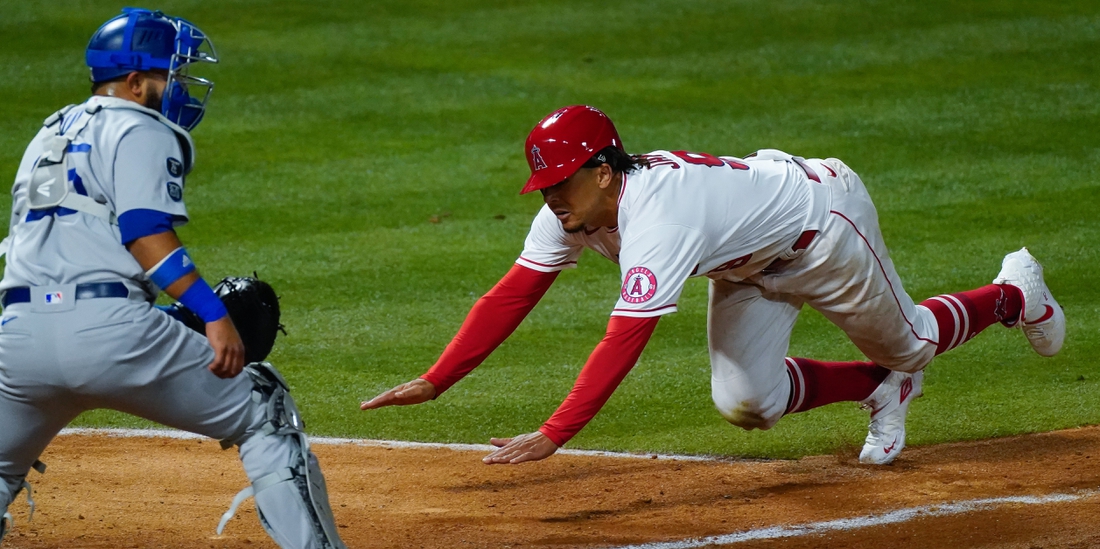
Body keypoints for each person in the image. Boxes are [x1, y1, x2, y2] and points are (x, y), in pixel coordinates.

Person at [361, 105, 1065, 466]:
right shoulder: (574, 214)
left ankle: (1014, 292)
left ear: (603, 170)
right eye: (543, 185)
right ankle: (874, 386)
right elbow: (512, 292)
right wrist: (438, 378)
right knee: (748, 402)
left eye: (560, 181)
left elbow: (623, 339)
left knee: (912, 343)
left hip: (822, 228)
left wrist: (554, 432)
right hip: (745, 263)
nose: (549, 198)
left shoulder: (658, 213)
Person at [0, 9, 346, 548]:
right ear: (135, 83)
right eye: (171, 77)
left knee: (0, 469)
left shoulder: (49, 133)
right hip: (108, 332)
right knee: (266, 410)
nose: (180, 88)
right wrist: (211, 314)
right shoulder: (137, 125)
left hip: (18, 336)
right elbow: (143, 231)